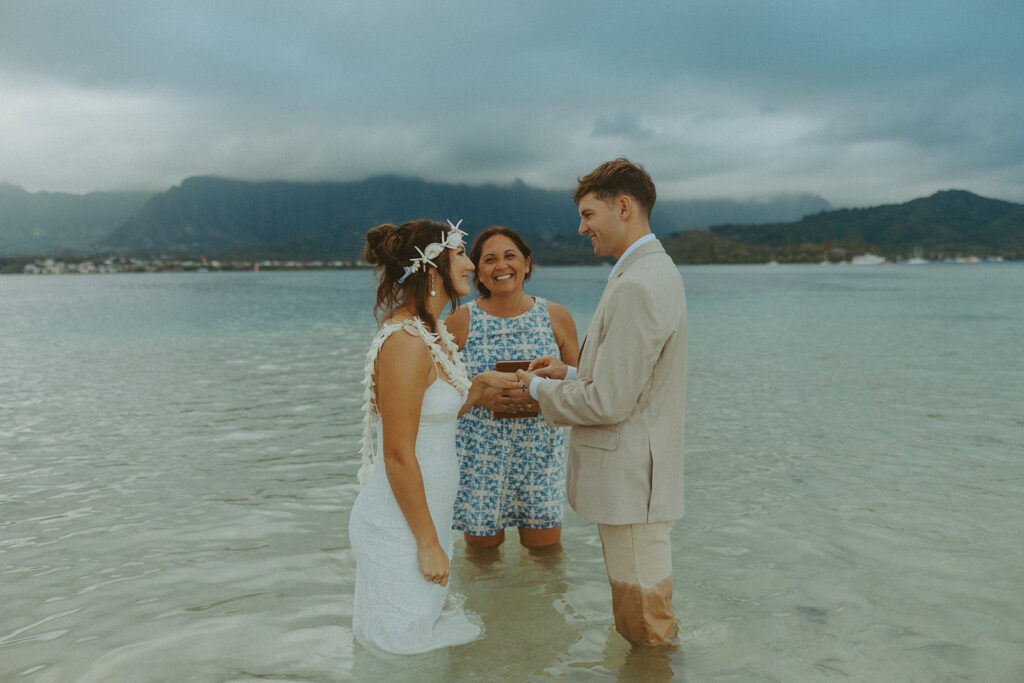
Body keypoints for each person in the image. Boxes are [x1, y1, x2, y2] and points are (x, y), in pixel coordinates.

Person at [515, 159, 687, 646]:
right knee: (645, 617)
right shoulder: (651, 270)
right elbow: (635, 381)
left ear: (624, 207)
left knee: (645, 626)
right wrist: (571, 373)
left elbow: (609, 403)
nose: (581, 226)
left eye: (589, 214)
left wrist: (535, 389)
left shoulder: (637, 283)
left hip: (633, 484)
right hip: (641, 480)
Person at [348, 218, 520, 655]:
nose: (469, 264)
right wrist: (427, 544)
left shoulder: (431, 333)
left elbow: (429, 416)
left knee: (420, 650)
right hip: (400, 526)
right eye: (459, 253)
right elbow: (398, 454)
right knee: (402, 654)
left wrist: (479, 387)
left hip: (426, 518)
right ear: (431, 269)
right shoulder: (406, 342)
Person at [445, 226, 579, 549]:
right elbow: (438, 398)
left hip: (540, 454)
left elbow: (583, 387)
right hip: (481, 456)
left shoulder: (556, 316)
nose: (501, 266)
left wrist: (544, 397)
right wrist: (481, 397)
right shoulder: (460, 321)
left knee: (546, 558)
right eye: (489, 260)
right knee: (483, 565)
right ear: (478, 271)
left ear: (527, 264)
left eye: (510, 256)